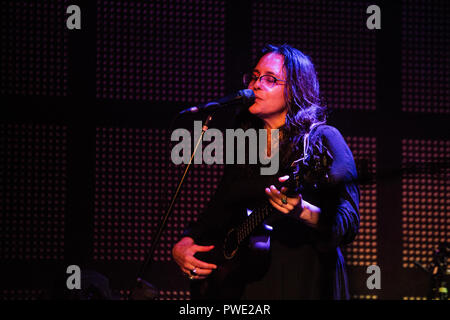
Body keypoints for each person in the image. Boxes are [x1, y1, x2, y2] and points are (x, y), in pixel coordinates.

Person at [172, 44, 360, 300]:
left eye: (270, 79)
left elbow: (347, 222)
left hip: (305, 276)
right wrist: (186, 242)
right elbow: (220, 209)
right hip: (248, 280)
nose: (256, 85)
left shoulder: (323, 139)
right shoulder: (247, 146)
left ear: (295, 89)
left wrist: (302, 210)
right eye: (255, 76)